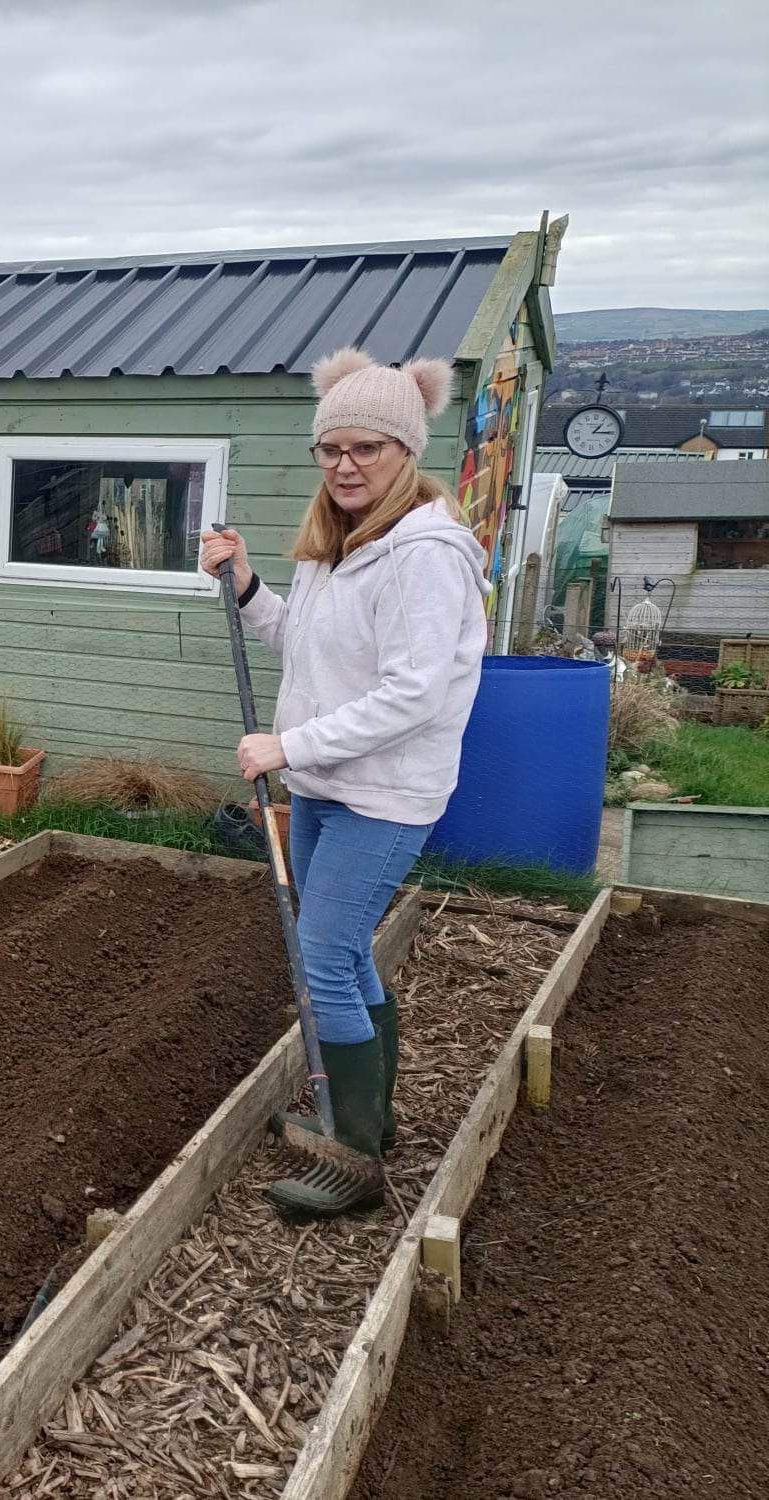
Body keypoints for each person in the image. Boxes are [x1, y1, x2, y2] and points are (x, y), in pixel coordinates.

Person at [198, 347, 489, 1219]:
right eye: (331, 449)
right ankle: (375, 1122)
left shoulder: (425, 555)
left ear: (406, 451)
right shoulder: (338, 543)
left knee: (323, 954)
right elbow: (306, 645)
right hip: (328, 783)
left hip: (385, 795)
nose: (346, 465)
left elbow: (413, 694)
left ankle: (355, 1156)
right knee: (345, 950)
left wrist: (287, 744)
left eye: (367, 448)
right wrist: (246, 584)